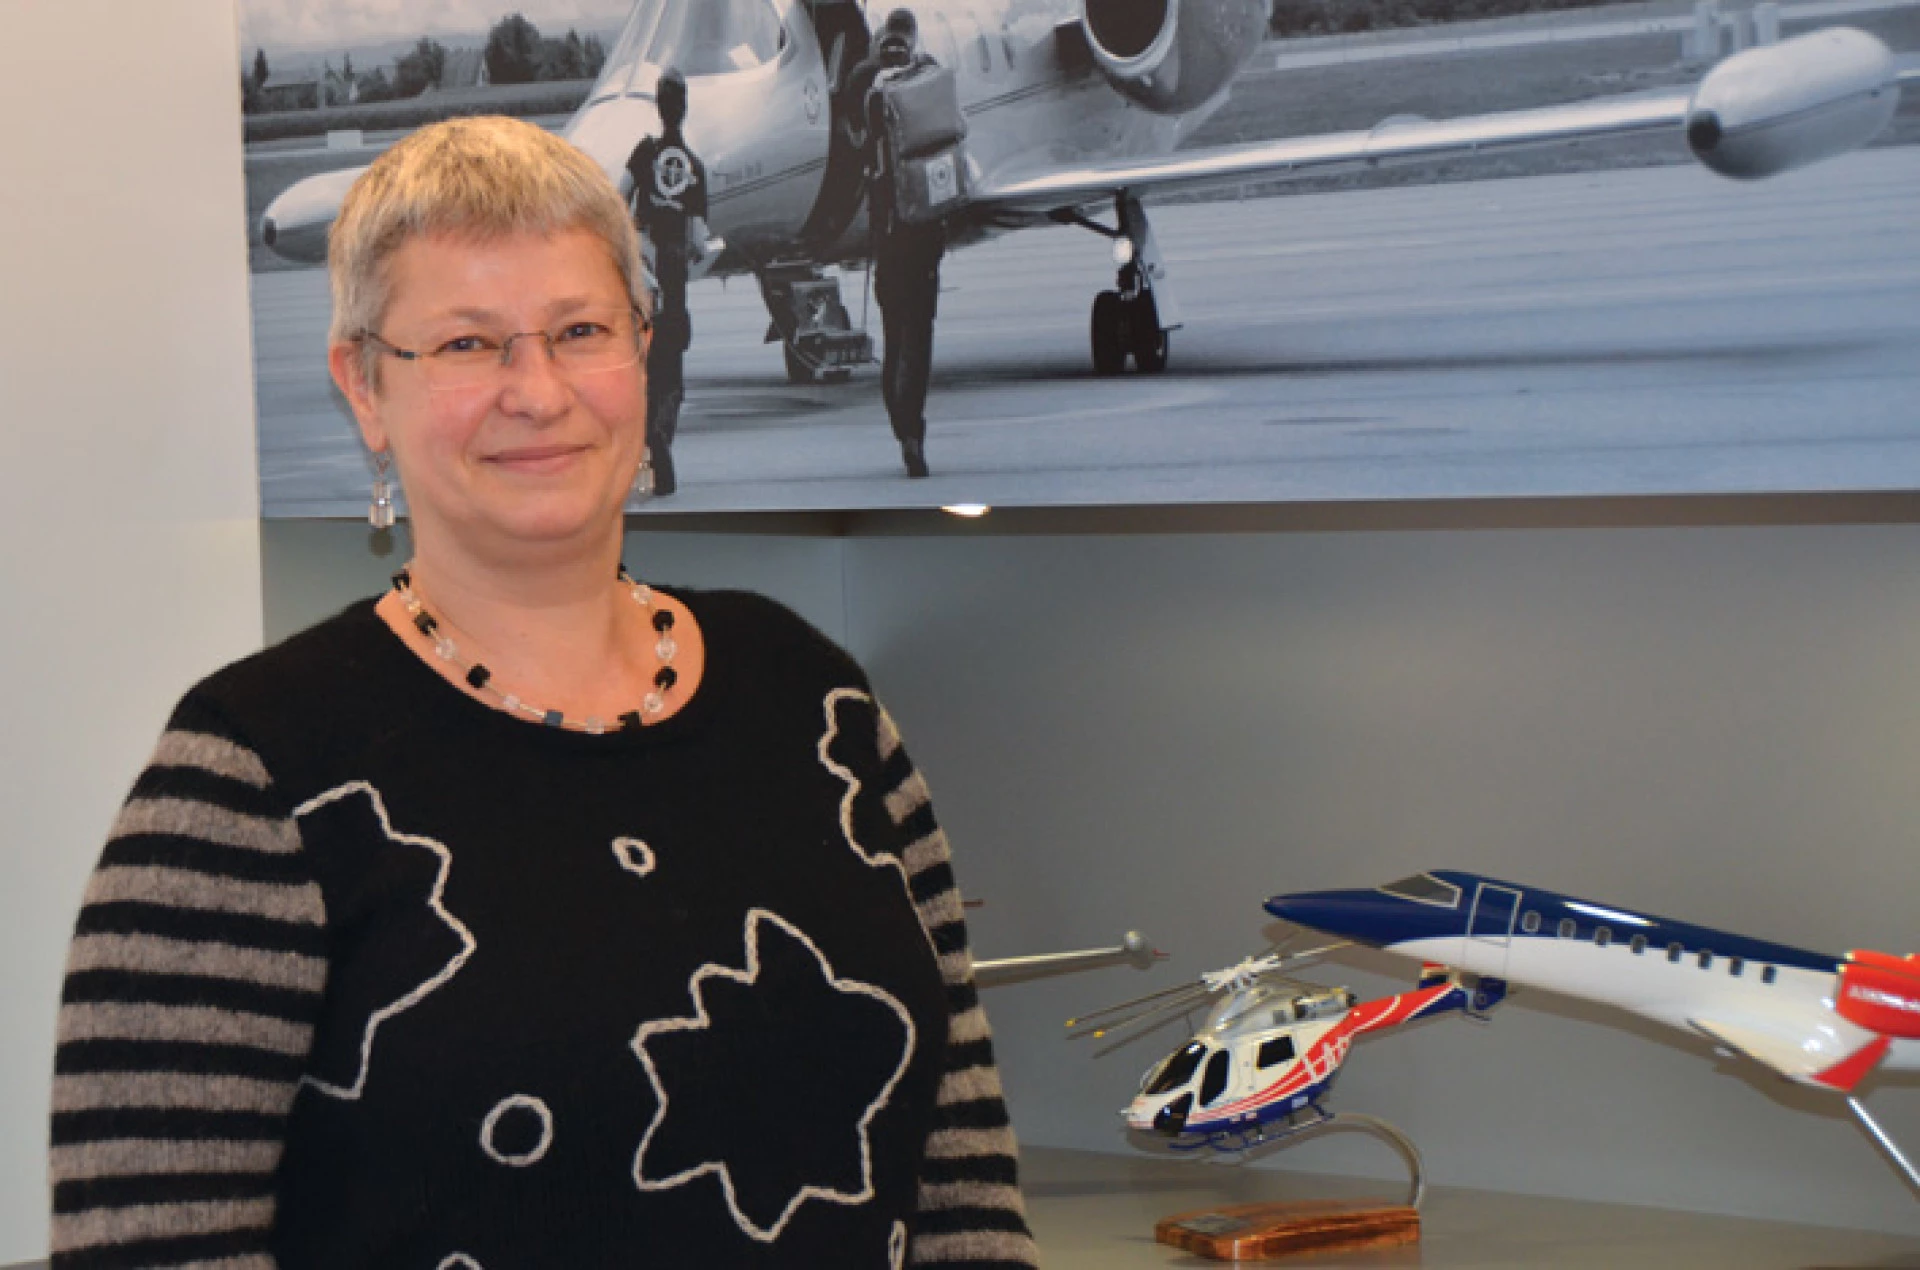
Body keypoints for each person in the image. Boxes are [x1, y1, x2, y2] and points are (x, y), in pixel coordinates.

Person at [49, 116, 1038, 1268]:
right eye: (468, 346)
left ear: (644, 349)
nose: (538, 390)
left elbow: (962, 1181)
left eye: (580, 330)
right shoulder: (250, 776)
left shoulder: (818, 702)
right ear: (366, 387)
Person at [846, 8, 945, 480]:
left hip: (886, 238)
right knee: (919, 341)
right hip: (924, 236)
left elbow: (855, 136)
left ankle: (900, 424)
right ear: (913, 37)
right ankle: (914, 429)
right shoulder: (925, 80)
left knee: (893, 336)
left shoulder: (868, 93)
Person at [623, 67, 707, 496]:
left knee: (647, 367)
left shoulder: (643, 153)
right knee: (672, 373)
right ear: (685, 108)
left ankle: (651, 442)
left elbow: (618, 200)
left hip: (646, 279)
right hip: (675, 283)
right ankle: (661, 441)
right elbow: (699, 240)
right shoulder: (694, 165)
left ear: (658, 106)